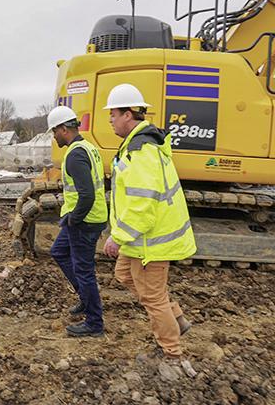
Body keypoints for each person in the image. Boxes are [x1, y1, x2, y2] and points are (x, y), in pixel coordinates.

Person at [102, 83, 195, 358]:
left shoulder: (141, 152)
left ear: (128, 115)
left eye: (113, 114)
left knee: (153, 297)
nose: (110, 119)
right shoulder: (138, 145)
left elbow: (143, 204)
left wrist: (117, 236)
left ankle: (172, 352)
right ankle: (175, 315)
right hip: (140, 239)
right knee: (123, 275)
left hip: (148, 241)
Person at [47, 106, 107, 337]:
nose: (54, 136)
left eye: (55, 131)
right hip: (86, 218)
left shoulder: (75, 154)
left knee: (84, 271)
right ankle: (85, 297)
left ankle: (94, 323)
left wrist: (74, 219)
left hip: (85, 221)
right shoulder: (88, 147)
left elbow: (87, 194)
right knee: (59, 252)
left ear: (64, 129)